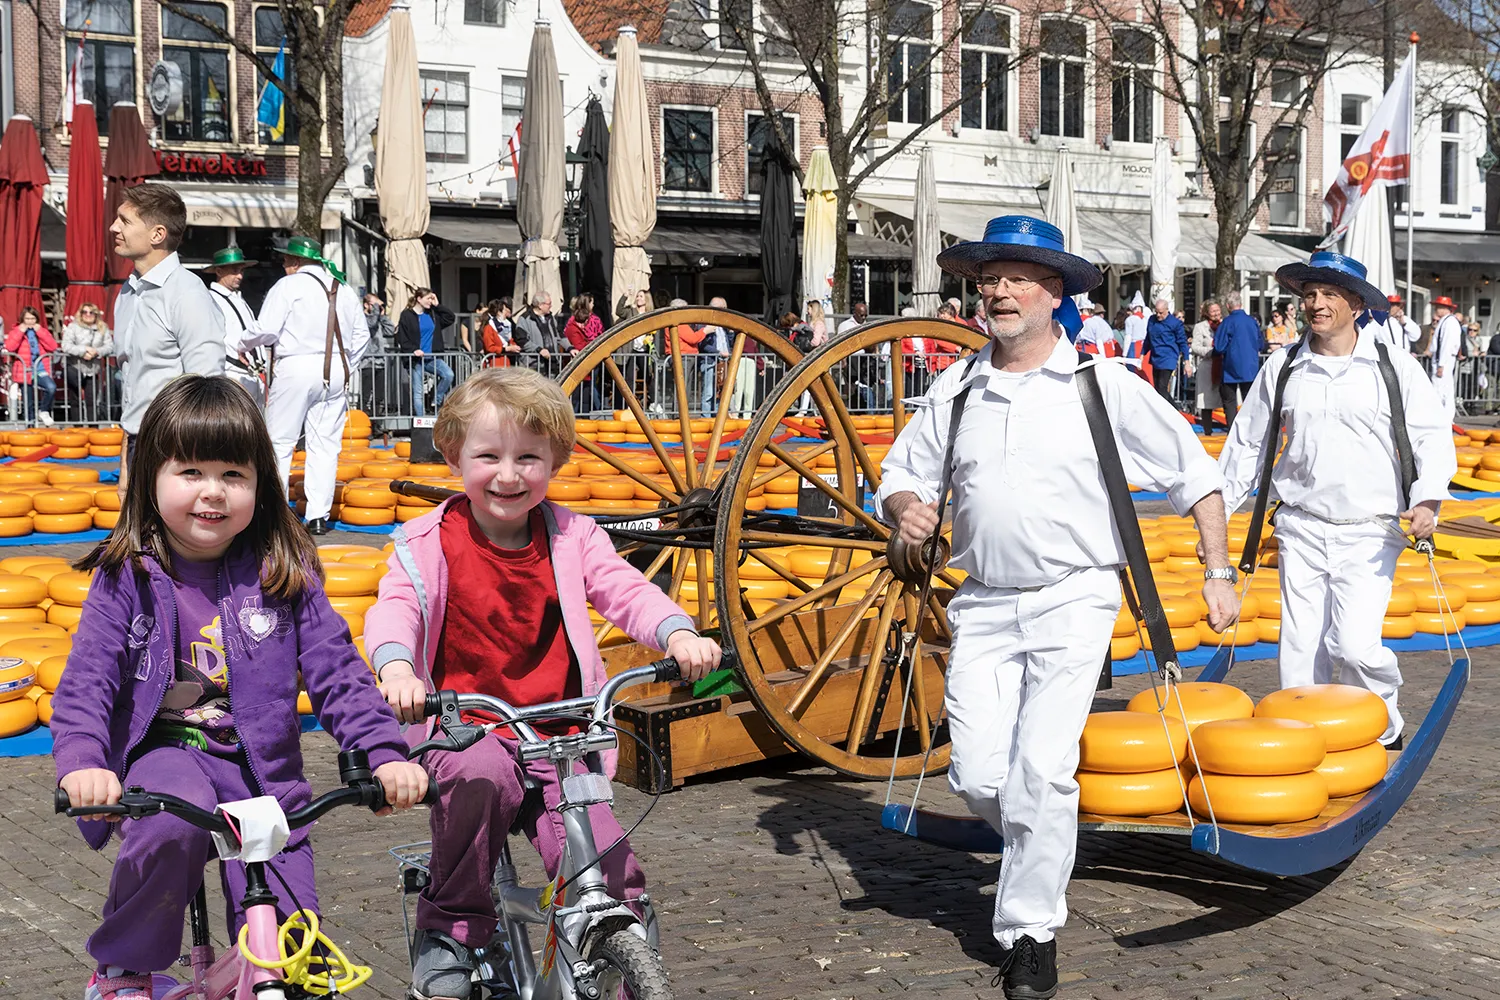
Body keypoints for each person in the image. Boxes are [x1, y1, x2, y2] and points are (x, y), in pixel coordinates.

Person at [878, 215, 1236, 999]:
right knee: (976, 773)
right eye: (988, 279)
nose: (998, 291)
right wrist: (908, 509)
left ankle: (1030, 933)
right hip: (982, 603)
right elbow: (900, 472)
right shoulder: (958, 387)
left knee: (1042, 769)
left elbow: (1197, 475)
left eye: (1015, 278)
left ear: (1054, 293)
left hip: (1074, 596)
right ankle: (1042, 841)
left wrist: (1218, 572)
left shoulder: (1101, 386)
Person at [50, 375, 428, 1000]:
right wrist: (84, 763)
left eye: (233, 474)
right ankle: (123, 970)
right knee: (168, 819)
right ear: (149, 478)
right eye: (191, 472)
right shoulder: (128, 577)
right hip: (167, 756)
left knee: (295, 953)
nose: (213, 491)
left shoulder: (284, 571)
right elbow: (88, 681)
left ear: (262, 483)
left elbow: (338, 671)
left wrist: (385, 755)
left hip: (261, 774)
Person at [369, 367, 722, 999]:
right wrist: (396, 667)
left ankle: (627, 968)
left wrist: (676, 632)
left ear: (555, 461)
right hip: (468, 727)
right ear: (453, 457)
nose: (508, 475)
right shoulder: (425, 543)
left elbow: (625, 589)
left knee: (611, 872)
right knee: (479, 777)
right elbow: (396, 608)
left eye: (528, 458)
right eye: (488, 456)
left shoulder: (573, 536)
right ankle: (451, 930)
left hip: (560, 734)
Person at [1218, 251, 1456, 750]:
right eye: (1309, 294)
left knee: (1354, 645)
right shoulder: (1285, 365)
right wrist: (1218, 515)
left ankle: (1380, 723)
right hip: (1301, 524)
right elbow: (1248, 443)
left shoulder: (1392, 366)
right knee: (1301, 648)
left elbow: (1431, 436)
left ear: (1356, 304)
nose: (1316, 304)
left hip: (1371, 529)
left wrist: (1428, 499)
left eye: (1329, 294)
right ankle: (1303, 738)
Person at [109, 184, 224, 482]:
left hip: (177, 447)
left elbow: (207, 383)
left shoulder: (187, 292)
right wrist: (126, 465)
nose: (114, 228)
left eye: (125, 221)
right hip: (138, 443)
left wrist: (193, 465)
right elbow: (132, 382)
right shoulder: (128, 291)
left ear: (157, 235)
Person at [259, 236, 369, 536]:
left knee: (280, 443)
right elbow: (362, 336)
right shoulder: (343, 289)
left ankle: (274, 514)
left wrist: (243, 342)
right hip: (334, 370)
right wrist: (345, 365)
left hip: (295, 366)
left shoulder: (287, 286)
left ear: (296, 262)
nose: (284, 265)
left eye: (286, 260)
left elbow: (266, 330)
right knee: (325, 446)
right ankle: (318, 516)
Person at [205, 246, 275, 410]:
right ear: (219, 271)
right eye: (234, 271)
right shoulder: (211, 299)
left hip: (254, 375)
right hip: (233, 373)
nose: (240, 276)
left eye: (241, 271)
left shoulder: (239, 299)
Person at [397, 287, 456, 417]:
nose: (430, 301)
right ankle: (421, 419)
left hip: (432, 356)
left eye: (431, 298)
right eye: (428, 298)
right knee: (418, 391)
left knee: (448, 375)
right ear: (419, 299)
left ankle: (436, 400)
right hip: (416, 359)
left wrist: (438, 305)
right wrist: (413, 350)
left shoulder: (432, 313)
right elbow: (402, 337)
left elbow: (450, 318)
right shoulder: (407, 315)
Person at [1213, 292, 1266, 428]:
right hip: (1250, 367)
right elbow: (1260, 344)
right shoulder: (1252, 321)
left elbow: (1219, 346)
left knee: (1230, 401)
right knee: (1250, 401)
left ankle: (1232, 430)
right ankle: (1251, 429)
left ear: (1228, 306)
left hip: (1230, 367)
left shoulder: (1227, 322)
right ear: (1241, 304)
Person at [60, 302, 114, 423]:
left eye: (91, 312)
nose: (88, 315)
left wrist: (96, 351)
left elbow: (109, 346)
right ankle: (77, 427)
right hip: (75, 367)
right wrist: (84, 350)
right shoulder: (73, 327)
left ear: (96, 314)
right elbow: (66, 345)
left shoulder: (102, 327)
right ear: (80, 313)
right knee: (75, 399)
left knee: (92, 400)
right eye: (85, 312)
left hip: (92, 369)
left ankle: (93, 426)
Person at [7, 305, 58, 425]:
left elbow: (53, 346)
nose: (30, 322)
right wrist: (20, 331)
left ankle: (43, 410)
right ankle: (30, 425)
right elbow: (10, 347)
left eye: (33, 319)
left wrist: (40, 331)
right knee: (28, 401)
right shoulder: (16, 331)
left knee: (51, 387)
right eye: (27, 319)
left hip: (40, 368)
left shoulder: (41, 331)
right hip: (24, 370)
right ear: (22, 319)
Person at [1144, 297, 1188, 401]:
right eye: (1156, 312)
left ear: (1167, 310)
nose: (1158, 315)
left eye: (1161, 313)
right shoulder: (1152, 320)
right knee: (1157, 388)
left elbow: (1182, 342)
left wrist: (1187, 361)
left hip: (1169, 357)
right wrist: (1142, 354)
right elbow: (1148, 339)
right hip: (1156, 357)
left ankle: (1175, 409)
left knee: (1162, 388)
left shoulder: (1175, 323)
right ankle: (1165, 408)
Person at [1189, 301, 1223, 434]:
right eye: (1213, 311)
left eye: (1217, 310)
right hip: (1208, 366)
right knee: (1206, 402)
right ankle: (1207, 432)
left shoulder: (1225, 324)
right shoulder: (1200, 327)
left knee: (1227, 400)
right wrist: (1211, 351)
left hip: (1224, 366)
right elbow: (1195, 347)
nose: (1216, 313)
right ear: (1207, 313)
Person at [511, 293, 567, 373]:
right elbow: (522, 340)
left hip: (552, 365)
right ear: (540, 305)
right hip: (533, 367)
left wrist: (570, 348)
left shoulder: (551, 318)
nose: (551, 306)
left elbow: (559, 335)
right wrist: (539, 350)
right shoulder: (524, 319)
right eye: (549, 303)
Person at [1430, 296, 1462, 426]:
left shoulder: (1449, 323)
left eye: (1438, 307)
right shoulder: (1447, 321)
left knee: (1440, 389)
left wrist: (1441, 365)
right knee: (1445, 389)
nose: (1436, 309)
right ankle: (1445, 419)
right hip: (1443, 359)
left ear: (1445, 308)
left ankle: (1442, 418)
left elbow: (1446, 345)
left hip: (1444, 360)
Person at [480, 297, 517, 366]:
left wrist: (514, 346)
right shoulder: (489, 327)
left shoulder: (506, 326)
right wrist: (506, 349)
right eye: (504, 310)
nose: (506, 313)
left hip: (505, 362)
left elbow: (509, 340)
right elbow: (489, 347)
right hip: (494, 363)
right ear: (498, 312)